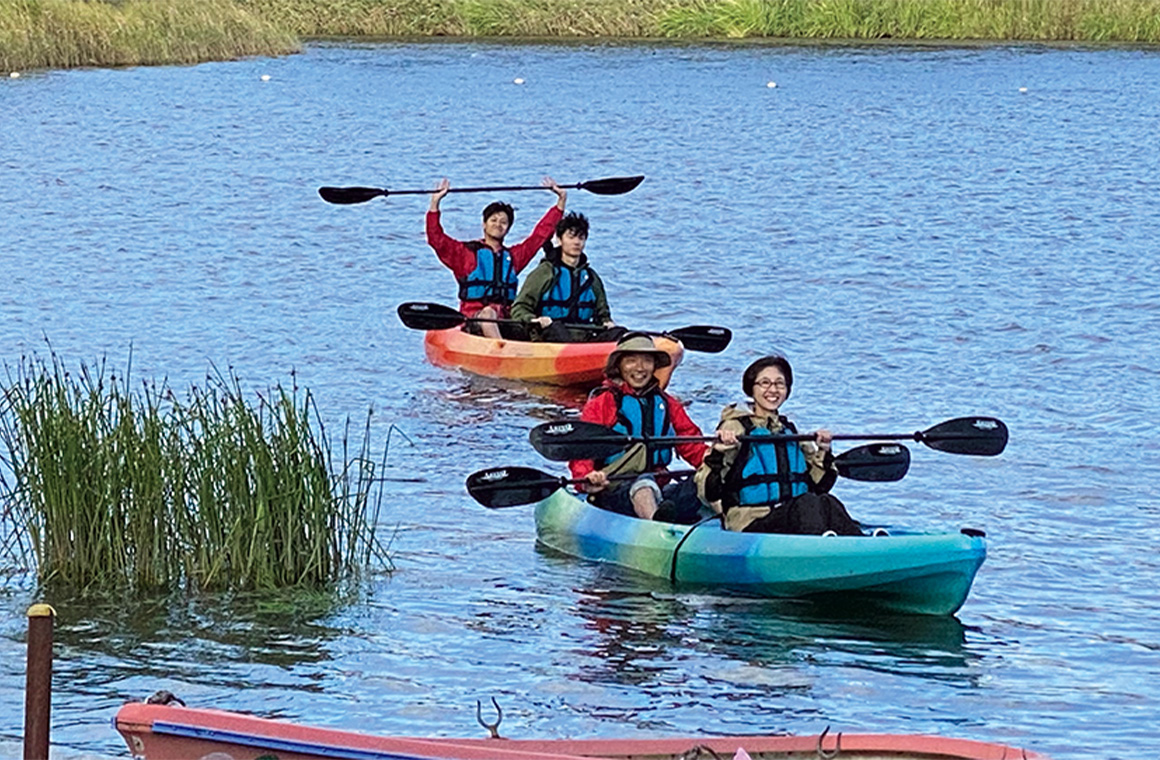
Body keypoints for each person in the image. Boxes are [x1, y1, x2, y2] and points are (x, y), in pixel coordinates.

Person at [695, 355, 863, 535]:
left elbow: (820, 486)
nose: (773, 390)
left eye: (780, 384)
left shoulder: (789, 431)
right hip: (750, 522)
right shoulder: (735, 428)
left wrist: (823, 450)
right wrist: (718, 453)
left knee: (827, 502)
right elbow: (708, 493)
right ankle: (818, 546)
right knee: (807, 504)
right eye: (765, 383)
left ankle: (861, 542)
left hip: (792, 514)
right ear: (751, 388)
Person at [569, 333, 707, 524]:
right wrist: (586, 478)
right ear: (619, 366)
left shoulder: (668, 404)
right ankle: (655, 524)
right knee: (643, 484)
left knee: (704, 481)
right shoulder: (602, 404)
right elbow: (582, 450)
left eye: (647, 361)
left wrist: (716, 463)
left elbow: (692, 445)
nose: (640, 368)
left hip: (660, 487)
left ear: (654, 366)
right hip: (613, 489)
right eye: (631, 361)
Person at [426, 177, 567, 339]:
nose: (498, 225)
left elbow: (538, 237)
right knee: (488, 313)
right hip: (475, 319)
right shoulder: (465, 254)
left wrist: (561, 202)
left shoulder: (513, 257)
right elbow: (436, 239)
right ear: (484, 224)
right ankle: (500, 347)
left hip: (506, 319)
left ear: (508, 229)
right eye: (493, 220)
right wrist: (435, 203)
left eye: (503, 222)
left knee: (535, 319)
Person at [510, 211, 623, 343]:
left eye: (581, 238)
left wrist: (607, 323)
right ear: (559, 239)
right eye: (571, 237)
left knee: (620, 333)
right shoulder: (544, 273)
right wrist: (533, 319)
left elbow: (602, 314)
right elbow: (520, 307)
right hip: (549, 334)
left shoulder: (592, 278)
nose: (576, 242)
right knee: (557, 330)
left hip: (584, 338)